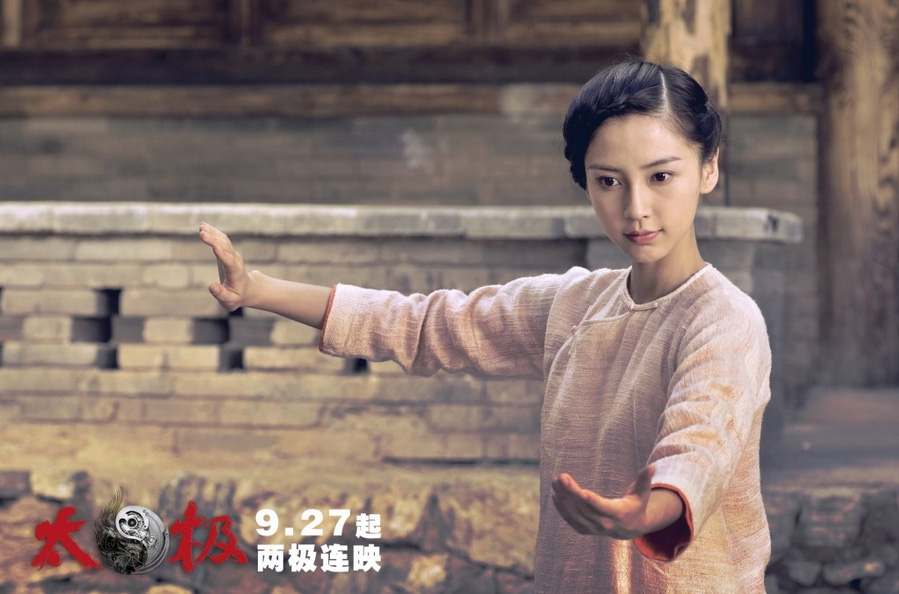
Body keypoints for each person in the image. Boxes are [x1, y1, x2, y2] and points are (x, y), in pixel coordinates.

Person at [199, 57, 772, 593]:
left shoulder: (724, 319)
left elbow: (702, 440)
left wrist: (653, 508)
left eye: (661, 176)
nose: (637, 207)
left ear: (709, 167)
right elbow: (425, 323)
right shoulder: (575, 305)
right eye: (609, 181)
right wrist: (259, 290)